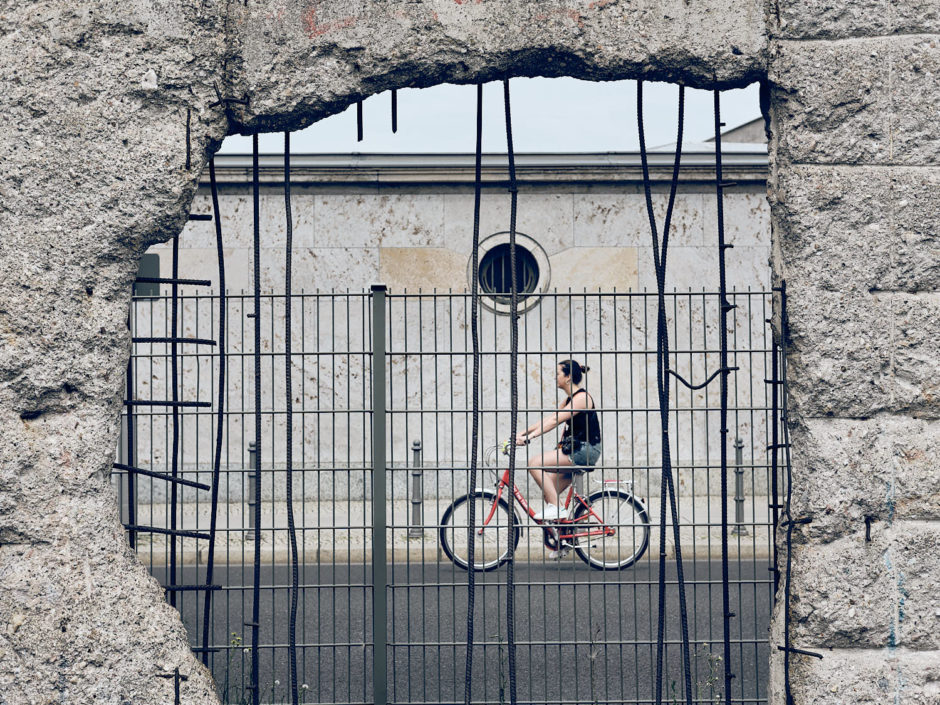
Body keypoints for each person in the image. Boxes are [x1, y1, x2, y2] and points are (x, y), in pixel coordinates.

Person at [514, 359, 602, 520]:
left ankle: (557, 509)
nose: (555, 377)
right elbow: (551, 417)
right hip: (575, 448)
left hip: (585, 449)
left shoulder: (582, 398)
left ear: (568, 377)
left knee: (534, 463)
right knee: (550, 493)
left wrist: (530, 438)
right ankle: (566, 536)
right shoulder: (569, 399)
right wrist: (523, 432)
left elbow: (556, 421)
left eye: (557, 374)